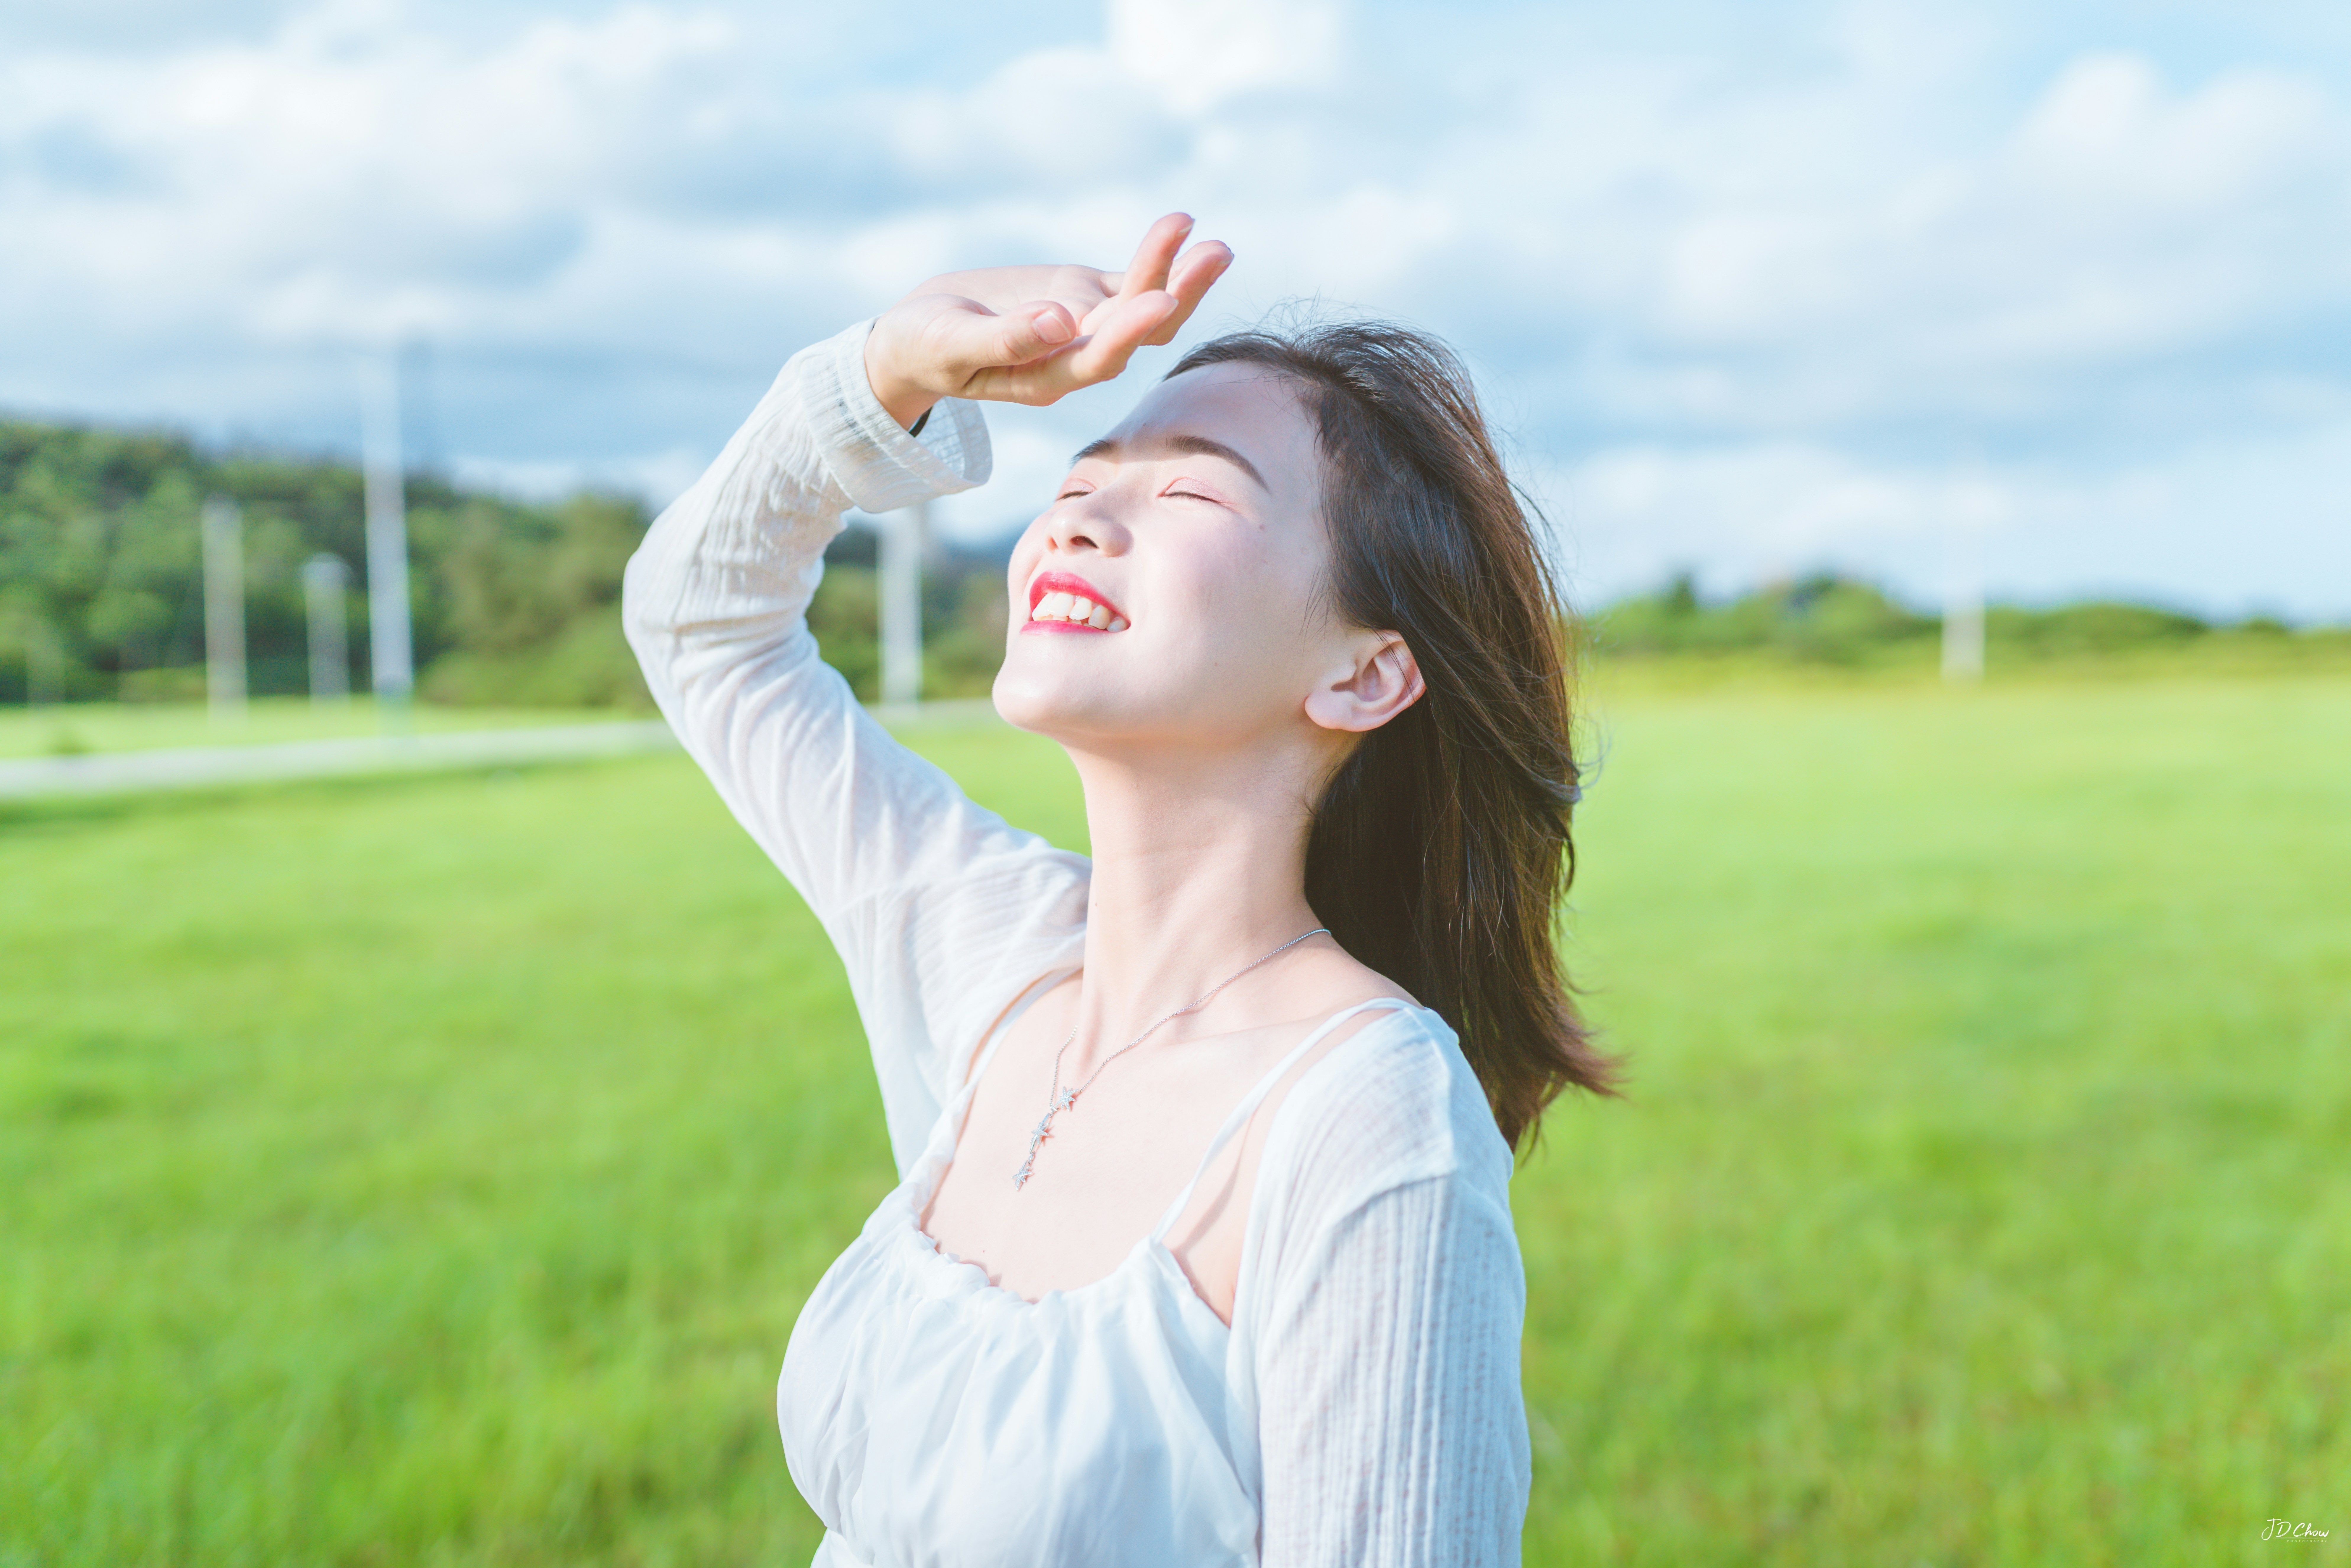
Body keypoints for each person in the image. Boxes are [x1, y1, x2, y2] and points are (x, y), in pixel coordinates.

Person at [623, 212, 1614, 1567]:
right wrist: (892, 367)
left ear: (1364, 674)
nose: (1080, 515)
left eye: (1192, 496)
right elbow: (701, 623)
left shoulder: (1370, 1120)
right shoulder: (994, 949)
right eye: (1083, 477)